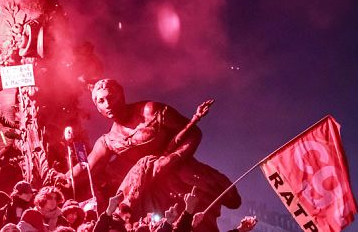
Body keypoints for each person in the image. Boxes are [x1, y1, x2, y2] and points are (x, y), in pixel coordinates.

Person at [71, 79, 240, 232]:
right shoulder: (108, 141)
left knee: (201, 224)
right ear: (97, 107)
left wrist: (171, 160)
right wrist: (61, 178)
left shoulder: (151, 110)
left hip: (183, 179)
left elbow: (193, 132)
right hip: (148, 194)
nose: (107, 104)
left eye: (110, 97)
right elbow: (86, 168)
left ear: (121, 95)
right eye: (101, 101)